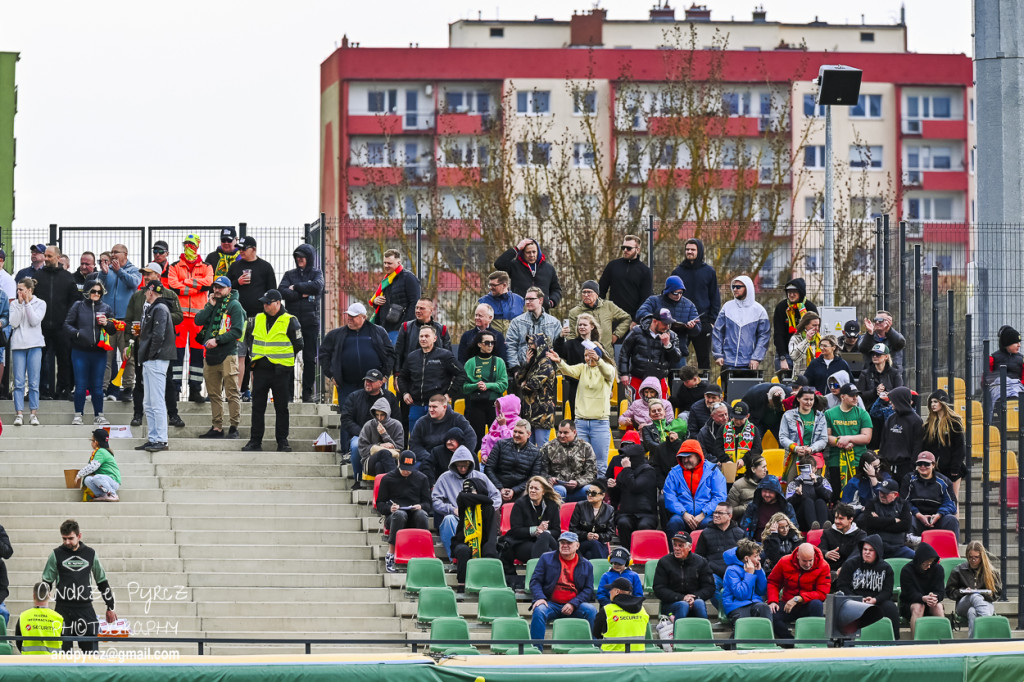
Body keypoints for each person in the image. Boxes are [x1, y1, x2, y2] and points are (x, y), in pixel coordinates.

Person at [241, 289, 303, 453]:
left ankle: (282, 441)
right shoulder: (258, 318)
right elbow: (249, 339)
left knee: (281, 407)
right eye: (263, 302)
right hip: (261, 369)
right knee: (257, 407)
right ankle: (255, 441)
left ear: (278, 303)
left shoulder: (290, 320)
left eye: (268, 303)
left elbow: (299, 344)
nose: (265, 305)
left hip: (281, 371)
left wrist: (285, 360)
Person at [42, 519, 117, 651]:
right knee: (62, 656)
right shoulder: (56, 554)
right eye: (64, 539)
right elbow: (46, 583)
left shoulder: (90, 554)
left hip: (85, 609)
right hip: (63, 609)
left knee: (91, 654)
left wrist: (110, 606)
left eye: (70, 538)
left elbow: (102, 581)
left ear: (79, 536)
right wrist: (42, 606)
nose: (67, 542)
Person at [125, 264, 184, 430]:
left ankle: (173, 414)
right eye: (144, 274)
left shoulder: (169, 294)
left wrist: (160, 315)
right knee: (140, 381)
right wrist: (128, 343)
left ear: (158, 275)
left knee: (168, 382)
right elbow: (129, 320)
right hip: (140, 345)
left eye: (149, 274)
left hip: (162, 347)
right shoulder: (137, 296)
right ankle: (138, 414)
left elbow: (179, 316)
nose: (146, 277)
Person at [549, 342, 615, 472]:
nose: (587, 358)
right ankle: (582, 490)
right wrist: (559, 362)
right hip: (581, 423)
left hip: (600, 423)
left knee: (600, 463)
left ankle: (600, 490)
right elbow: (569, 370)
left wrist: (598, 359)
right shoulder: (582, 368)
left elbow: (608, 373)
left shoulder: (608, 368)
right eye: (585, 355)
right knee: (579, 462)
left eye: (590, 354)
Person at [194, 276, 245, 439]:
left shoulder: (235, 306)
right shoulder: (212, 304)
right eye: (215, 287)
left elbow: (237, 331)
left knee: (232, 392)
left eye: (221, 288)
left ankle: (234, 427)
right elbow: (198, 320)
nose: (216, 290)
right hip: (210, 355)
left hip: (228, 353)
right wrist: (209, 306)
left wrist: (217, 340)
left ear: (229, 289)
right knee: (214, 394)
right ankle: (217, 427)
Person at [320, 302, 395, 410]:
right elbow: (323, 354)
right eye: (348, 315)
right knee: (348, 417)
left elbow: (390, 354)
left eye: (353, 316)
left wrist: (385, 375)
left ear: (364, 317)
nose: (349, 318)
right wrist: (331, 375)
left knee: (373, 417)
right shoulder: (336, 335)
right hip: (346, 385)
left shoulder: (378, 332)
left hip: (374, 385)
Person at [227, 236, 276, 399]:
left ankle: (258, 394)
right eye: (239, 248)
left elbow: (273, 293)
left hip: (259, 318)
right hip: (239, 318)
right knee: (239, 356)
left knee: (257, 357)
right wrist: (237, 282)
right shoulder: (235, 266)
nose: (240, 251)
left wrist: (270, 316)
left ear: (253, 249)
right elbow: (225, 289)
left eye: (243, 249)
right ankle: (236, 393)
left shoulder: (265, 267)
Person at [167, 234, 215, 403]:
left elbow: (208, 283)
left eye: (192, 244)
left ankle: (195, 389)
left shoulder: (207, 266)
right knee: (177, 355)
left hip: (198, 319)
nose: (189, 246)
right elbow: (174, 286)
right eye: (186, 243)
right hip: (179, 317)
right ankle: (175, 390)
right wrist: (196, 286)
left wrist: (186, 282)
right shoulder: (174, 266)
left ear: (198, 246)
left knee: (197, 355)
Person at [432, 446, 501, 562]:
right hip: (457, 516)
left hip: (478, 518)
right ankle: (454, 558)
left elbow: (496, 496)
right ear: (454, 465)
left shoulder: (481, 477)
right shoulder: (444, 478)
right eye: (459, 466)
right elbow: (435, 500)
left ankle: (480, 559)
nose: (463, 469)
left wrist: (485, 509)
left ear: (471, 464)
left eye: (465, 465)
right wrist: (451, 509)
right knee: (448, 520)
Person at [528, 531, 597, 645]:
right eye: (562, 542)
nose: (565, 545)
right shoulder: (546, 558)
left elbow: (588, 589)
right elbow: (535, 581)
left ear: (577, 545)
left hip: (575, 605)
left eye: (569, 543)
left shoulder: (586, 564)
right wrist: (540, 598)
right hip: (551, 603)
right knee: (539, 610)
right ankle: (535, 650)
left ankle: (595, 648)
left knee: (591, 611)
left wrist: (573, 604)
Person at [64, 280, 115, 426]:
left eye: (99, 292)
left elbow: (113, 329)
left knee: (98, 386)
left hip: (99, 352)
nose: (96, 294)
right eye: (93, 291)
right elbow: (67, 324)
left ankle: (99, 414)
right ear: (87, 291)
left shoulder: (106, 307)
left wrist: (107, 323)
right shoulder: (78, 306)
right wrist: (78, 334)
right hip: (80, 351)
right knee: (80, 385)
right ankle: (78, 414)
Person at [279, 243, 324, 402]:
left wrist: (296, 287)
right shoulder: (289, 274)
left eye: (302, 256)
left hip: (310, 322)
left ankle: (307, 393)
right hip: (291, 322)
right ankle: (289, 394)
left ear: (309, 258)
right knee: (289, 357)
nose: (299, 259)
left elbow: (317, 287)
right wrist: (302, 293)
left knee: (310, 358)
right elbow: (282, 291)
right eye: (297, 256)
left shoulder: (317, 273)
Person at [136, 281, 177, 452]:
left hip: (156, 359)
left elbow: (158, 335)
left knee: (156, 401)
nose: (145, 293)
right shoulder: (157, 308)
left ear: (151, 291)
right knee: (149, 401)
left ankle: (161, 439)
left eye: (146, 291)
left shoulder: (159, 309)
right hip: (152, 359)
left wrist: (151, 353)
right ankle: (154, 438)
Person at [834, 534, 901, 639]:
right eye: (865, 549)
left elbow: (887, 592)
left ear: (877, 551)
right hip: (853, 601)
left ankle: (895, 641)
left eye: (871, 550)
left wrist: (875, 600)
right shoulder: (851, 564)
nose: (867, 552)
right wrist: (856, 599)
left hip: (876, 601)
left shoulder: (886, 568)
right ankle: (847, 642)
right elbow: (842, 586)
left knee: (891, 607)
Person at [98, 243, 141, 401]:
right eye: (112, 252)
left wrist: (119, 271)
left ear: (125, 254)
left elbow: (134, 283)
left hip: (126, 321)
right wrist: (104, 274)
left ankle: (128, 388)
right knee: (105, 356)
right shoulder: (107, 269)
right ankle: (102, 388)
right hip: (109, 321)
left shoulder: (133, 270)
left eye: (116, 252)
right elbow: (99, 287)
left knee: (127, 356)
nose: (113, 254)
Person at [36, 245, 80, 401]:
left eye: (49, 256)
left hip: (62, 327)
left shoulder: (68, 277)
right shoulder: (38, 277)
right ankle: (40, 390)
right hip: (41, 327)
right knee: (39, 360)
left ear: (57, 257)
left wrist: (67, 320)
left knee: (64, 359)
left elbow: (74, 300)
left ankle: (64, 389)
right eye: (45, 256)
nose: (46, 259)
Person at [376, 451, 432, 573]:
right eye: (404, 468)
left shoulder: (422, 478)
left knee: (422, 515)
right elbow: (380, 503)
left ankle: (422, 552)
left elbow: (428, 504)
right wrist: (389, 508)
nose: (406, 471)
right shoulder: (388, 478)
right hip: (395, 516)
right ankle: (391, 553)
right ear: (398, 463)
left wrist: (421, 506)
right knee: (400, 515)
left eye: (409, 469)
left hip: (414, 514)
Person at [398, 325, 462, 428]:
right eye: (421, 336)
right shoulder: (412, 357)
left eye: (427, 336)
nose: (423, 339)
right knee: (415, 440)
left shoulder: (445, 356)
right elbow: (402, 377)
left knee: (438, 440)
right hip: (416, 406)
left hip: (438, 406)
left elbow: (461, 374)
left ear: (435, 338)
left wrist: (449, 394)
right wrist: (405, 393)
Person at [449, 468, 501, 593]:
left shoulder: (488, 509)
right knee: (463, 550)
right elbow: (462, 497)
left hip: (484, 541)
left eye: (471, 490)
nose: (467, 493)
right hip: (463, 541)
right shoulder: (464, 505)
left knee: (489, 551)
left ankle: (486, 585)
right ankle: (461, 585)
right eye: (465, 490)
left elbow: (491, 535)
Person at [670, 238, 720, 369]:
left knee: (704, 361)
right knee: (676, 357)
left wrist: (712, 320)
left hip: (702, 323)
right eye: (687, 249)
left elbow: (715, 296)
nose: (689, 252)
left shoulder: (709, 272)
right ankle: (675, 387)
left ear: (700, 251)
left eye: (692, 249)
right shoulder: (677, 273)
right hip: (680, 324)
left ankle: (704, 388)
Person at [663, 439, 728, 535]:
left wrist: (703, 514)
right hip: (682, 515)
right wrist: (684, 513)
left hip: (706, 515)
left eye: (689, 457)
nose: (685, 460)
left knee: (708, 524)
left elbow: (719, 496)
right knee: (674, 523)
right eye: (682, 457)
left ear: (698, 456)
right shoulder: (674, 473)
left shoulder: (713, 471)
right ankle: (674, 550)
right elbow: (669, 497)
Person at [501, 476, 561, 579]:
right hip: (523, 543)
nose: (532, 491)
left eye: (536, 488)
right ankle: (541, 579)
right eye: (530, 488)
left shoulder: (552, 505)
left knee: (545, 537)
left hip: (546, 542)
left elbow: (556, 531)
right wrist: (536, 530)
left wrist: (544, 532)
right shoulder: (520, 504)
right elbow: (515, 530)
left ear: (543, 491)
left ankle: (535, 578)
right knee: (548, 551)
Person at [766, 543, 830, 639]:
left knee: (817, 604)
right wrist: (773, 601)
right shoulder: (784, 561)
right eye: (804, 561)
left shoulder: (823, 566)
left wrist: (799, 598)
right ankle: (789, 642)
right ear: (798, 556)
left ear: (814, 556)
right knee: (771, 613)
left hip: (808, 604)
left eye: (810, 560)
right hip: (787, 603)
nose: (808, 564)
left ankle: (812, 641)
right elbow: (773, 582)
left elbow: (822, 593)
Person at [618, 309, 683, 398]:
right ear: (655, 321)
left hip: (660, 378)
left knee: (660, 409)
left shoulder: (672, 336)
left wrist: (668, 345)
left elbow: (677, 358)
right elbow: (624, 353)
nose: (667, 327)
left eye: (669, 324)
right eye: (665, 324)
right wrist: (624, 373)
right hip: (638, 377)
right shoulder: (637, 331)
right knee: (637, 408)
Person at [824, 382, 873, 498]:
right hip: (836, 460)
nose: (855, 398)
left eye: (857, 395)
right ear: (842, 397)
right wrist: (840, 442)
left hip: (858, 460)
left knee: (859, 495)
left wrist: (848, 438)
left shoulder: (863, 414)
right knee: (837, 494)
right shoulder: (829, 414)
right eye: (852, 395)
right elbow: (826, 437)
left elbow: (867, 437)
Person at [653, 531, 715, 621]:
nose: (676, 548)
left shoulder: (701, 562)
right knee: (683, 605)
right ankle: (679, 633)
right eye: (675, 545)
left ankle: (703, 633)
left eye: (680, 545)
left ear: (689, 547)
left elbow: (709, 587)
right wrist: (681, 598)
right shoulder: (664, 562)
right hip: (671, 604)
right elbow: (659, 588)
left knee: (699, 603)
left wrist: (694, 597)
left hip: (695, 602)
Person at [462, 329, 508, 448]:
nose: (490, 345)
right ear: (479, 344)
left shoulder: (499, 362)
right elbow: (464, 387)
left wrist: (487, 385)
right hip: (476, 405)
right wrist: (476, 385)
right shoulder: (471, 363)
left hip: (494, 404)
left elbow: (503, 385)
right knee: (477, 439)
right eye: (487, 343)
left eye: (492, 342)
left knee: (496, 439)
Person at [712, 275, 770, 371]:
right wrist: (718, 354)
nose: (735, 289)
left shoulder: (759, 310)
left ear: (748, 288)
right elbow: (717, 332)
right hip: (727, 361)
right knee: (727, 386)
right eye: (733, 287)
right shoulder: (727, 307)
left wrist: (756, 358)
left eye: (738, 287)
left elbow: (764, 337)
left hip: (749, 363)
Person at [607, 440, 658, 549]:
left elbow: (634, 487)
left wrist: (627, 469)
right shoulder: (624, 472)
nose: (624, 460)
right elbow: (616, 496)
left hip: (646, 514)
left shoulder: (649, 471)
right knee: (623, 522)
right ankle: (627, 553)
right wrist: (612, 487)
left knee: (643, 525)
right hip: (626, 513)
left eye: (627, 457)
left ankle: (642, 552)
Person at [946, 541, 1002, 638]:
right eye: (970, 557)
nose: (973, 560)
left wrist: (986, 594)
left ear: (982, 557)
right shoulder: (958, 570)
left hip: (986, 602)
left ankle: (973, 642)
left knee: (972, 612)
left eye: (976, 557)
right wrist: (962, 591)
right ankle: (988, 624)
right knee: (974, 595)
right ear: (967, 556)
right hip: (963, 604)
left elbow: (997, 593)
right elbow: (949, 592)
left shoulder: (990, 571)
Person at [10, 277, 45, 426]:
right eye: (17, 289)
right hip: (18, 345)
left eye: (21, 290)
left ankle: (33, 413)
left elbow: (34, 321)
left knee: (34, 381)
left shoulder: (40, 303)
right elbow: (14, 323)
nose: (18, 292)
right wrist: (19, 304)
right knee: (18, 382)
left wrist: (27, 303)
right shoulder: (14, 304)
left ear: (29, 290)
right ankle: (19, 413)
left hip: (35, 345)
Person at [901, 451, 960, 540]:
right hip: (916, 517)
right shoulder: (909, 479)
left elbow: (951, 503)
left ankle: (952, 552)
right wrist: (918, 515)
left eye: (926, 464)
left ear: (933, 465)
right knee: (907, 519)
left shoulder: (944, 481)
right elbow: (904, 501)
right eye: (920, 463)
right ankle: (910, 552)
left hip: (938, 518)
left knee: (952, 520)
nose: (923, 466)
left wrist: (938, 515)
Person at [408, 395, 476, 470]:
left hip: (453, 459)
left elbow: (471, 437)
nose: (431, 409)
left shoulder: (457, 419)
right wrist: (430, 458)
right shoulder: (421, 422)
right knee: (414, 469)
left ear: (444, 407)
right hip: (429, 459)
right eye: (430, 406)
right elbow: (414, 444)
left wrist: (460, 455)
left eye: (434, 407)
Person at [505, 286, 561, 376]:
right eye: (526, 299)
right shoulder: (516, 322)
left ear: (540, 300)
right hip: (523, 371)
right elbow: (510, 346)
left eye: (531, 299)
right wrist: (515, 369)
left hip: (547, 373)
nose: (527, 302)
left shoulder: (554, 323)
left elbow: (559, 349)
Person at [486, 419, 545, 502]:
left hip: (520, 491)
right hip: (497, 487)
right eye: (515, 431)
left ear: (528, 434)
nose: (516, 435)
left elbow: (533, 478)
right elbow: (489, 468)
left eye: (520, 432)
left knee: (530, 493)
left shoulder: (536, 453)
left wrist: (515, 490)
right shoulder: (501, 444)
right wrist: (500, 488)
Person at [494, 238, 562, 311]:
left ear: (538, 252)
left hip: (542, 312)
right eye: (528, 252)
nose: (532, 255)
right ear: (523, 253)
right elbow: (499, 264)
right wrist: (517, 248)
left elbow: (556, 289)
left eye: (534, 252)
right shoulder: (515, 266)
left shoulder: (549, 268)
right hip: (520, 311)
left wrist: (551, 302)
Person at [369, 248, 421, 343]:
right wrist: (376, 302)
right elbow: (384, 302)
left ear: (398, 262)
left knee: (394, 356)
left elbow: (415, 303)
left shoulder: (408, 278)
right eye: (385, 263)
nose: (386, 266)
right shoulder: (387, 280)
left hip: (398, 329)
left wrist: (404, 326)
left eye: (389, 263)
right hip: (383, 328)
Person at [922, 389, 966, 499]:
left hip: (952, 469)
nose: (933, 404)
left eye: (936, 401)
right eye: (931, 402)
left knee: (952, 498)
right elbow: (926, 447)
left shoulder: (954, 422)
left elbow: (959, 447)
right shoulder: (930, 424)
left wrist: (955, 468)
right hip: (936, 469)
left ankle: (954, 517)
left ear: (943, 403)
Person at [566, 281, 631, 354]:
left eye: (589, 292)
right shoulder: (574, 312)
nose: (586, 295)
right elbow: (572, 335)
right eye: (584, 292)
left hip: (607, 355)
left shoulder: (608, 306)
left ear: (597, 294)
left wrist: (616, 334)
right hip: (585, 356)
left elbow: (627, 318)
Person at [540, 420, 597, 503]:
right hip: (557, 487)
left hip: (578, 488)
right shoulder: (548, 447)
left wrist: (578, 483)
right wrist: (549, 479)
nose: (562, 435)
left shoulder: (585, 447)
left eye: (565, 433)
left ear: (574, 432)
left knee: (590, 490)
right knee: (560, 490)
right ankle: (558, 515)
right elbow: (541, 471)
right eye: (560, 432)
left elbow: (592, 473)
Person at [598, 234, 653, 322]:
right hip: (613, 317)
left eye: (629, 248)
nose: (625, 250)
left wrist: (636, 320)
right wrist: (601, 312)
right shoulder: (613, 266)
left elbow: (645, 298)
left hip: (633, 319)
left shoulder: (645, 271)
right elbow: (601, 289)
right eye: (623, 247)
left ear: (637, 250)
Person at [856, 479, 915, 560]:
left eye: (886, 493)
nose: (882, 495)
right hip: (876, 548)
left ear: (895, 494)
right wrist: (893, 520)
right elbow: (869, 522)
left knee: (917, 558)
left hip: (898, 547)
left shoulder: (903, 504)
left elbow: (906, 525)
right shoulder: (872, 503)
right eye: (880, 492)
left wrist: (879, 522)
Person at [516, 334, 558, 445]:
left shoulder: (546, 365)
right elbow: (518, 380)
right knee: (528, 448)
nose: (529, 347)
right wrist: (527, 364)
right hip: (529, 413)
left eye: (532, 343)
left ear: (540, 345)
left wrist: (524, 385)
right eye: (528, 343)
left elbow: (530, 387)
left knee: (541, 448)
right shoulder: (534, 364)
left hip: (542, 413)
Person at [393, 299, 452, 378]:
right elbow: (398, 353)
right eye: (416, 308)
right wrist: (397, 375)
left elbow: (448, 356)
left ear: (431, 310)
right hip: (410, 376)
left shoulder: (442, 329)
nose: (417, 310)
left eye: (421, 308)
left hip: (435, 377)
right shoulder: (406, 327)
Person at [772, 278, 818, 373]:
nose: (791, 294)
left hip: (806, 353)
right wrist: (782, 358)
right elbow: (778, 334)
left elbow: (815, 332)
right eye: (789, 292)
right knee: (785, 385)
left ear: (801, 292)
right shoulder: (781, 308)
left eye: (794, 292)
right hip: (786, 353)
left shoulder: (810, 308)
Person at [899, 542, 945, 638]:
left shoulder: (938, 569)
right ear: (919, 561)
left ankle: (943, 640)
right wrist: (923, 598)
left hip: (930, 603)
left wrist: (935, 597)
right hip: (910, 604)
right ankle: (916, 642)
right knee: (919, 607)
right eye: (926, 564)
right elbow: (908, 594)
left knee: (938, 607)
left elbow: (940, 591)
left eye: (930, 563)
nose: (929, 566)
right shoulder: (907, 570)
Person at [878, 386, 924, 483]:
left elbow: (917, 446)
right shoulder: (891, 418)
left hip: (906, 468)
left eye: (892, 400)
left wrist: (913, 466)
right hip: (888, 467)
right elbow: (883, 442)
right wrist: (881, 462)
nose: (890, 402)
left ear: (900, 401)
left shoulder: (916, 421)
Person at [779, 385, 827, 475]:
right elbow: (783, 437)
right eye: (806, 399)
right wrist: (796, 448)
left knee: (813, 486)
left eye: (811, 399)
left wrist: (811, 449)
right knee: (792, 486)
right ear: (798, 399)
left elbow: (823, 439)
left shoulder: (820, 416)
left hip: (813, 457)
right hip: (793, 456)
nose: (809, 402)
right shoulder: (788, 415)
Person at [721, 539, 773, 622]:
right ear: (746, 558)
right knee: (745, 622)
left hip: (754, 603)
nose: (759, 558)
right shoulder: (731, 570)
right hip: (736, 605)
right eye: (756, 556)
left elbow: (762, 591)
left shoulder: (756, 568)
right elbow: (741, 595)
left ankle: (767, 633)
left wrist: (759, 573)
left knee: (764, 608)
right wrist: (749, 574)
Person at [594, 576, 649, 652]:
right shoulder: (642, 610)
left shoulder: (607, 610)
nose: (609, 592)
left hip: (611, 658)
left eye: (611, 590)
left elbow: (596, 633)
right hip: (638, 657)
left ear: (617, 591)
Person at [740, 475, 798, 542]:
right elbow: (745, 527)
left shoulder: (786, 507)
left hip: (780, 545)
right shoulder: (753, 506)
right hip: (756, 546)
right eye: (764, 491)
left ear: (777, 492)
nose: (767, 494)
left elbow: (794, 528)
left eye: (770, 492)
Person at [694, 502, 745, 577]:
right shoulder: (705, 533)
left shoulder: (740, 533)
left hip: (734, 574)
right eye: (715, 512)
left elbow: (744, 557)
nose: (716, 515)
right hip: (713, 574)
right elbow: (699, 557)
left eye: (720, 513)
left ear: (729, 516)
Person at [359, 398, 404, 479]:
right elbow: (362, 450)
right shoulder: (368, 425)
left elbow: (399, 449)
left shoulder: (396, 425)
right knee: (384, 453)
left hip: (392, 461)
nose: (379, 418)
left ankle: (382, 490)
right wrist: (380, 446)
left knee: (379, 466)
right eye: (377, 414)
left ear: (388, 413)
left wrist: (385, 435)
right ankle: (396, 482)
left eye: (382, 415)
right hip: (369, 462)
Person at [568, 480, 614, 560]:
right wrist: (586, 535)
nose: (589, 495)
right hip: (581, 543)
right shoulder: (580, 506)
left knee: (590, 554)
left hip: (599, 544)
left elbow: (610, 534)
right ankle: (603, 568)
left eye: (593, 493)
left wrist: (599, 536)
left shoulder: (609, 510)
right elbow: (572, 529)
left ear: (602, 495)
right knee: (594, 544)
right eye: (588, 492)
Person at [14, 583, 64, 654]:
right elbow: (65, 642)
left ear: (34, 596)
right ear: (49, 596)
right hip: (53, 662)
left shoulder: (23, 616)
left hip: (29, 661)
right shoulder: (58, 618)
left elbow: (18, 641)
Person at [818, 503, 866, 574]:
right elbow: (819, 549)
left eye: (841, 518)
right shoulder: (827, 532)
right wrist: (826, 553)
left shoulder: (860, 535)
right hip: (829, 570)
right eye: (836, 518)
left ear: (850, 519)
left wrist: (845, 567)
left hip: (851, 570)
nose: (837, 521)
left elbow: (857, 554)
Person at [76, 429, 121, 502]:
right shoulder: (101, 451)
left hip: (112, 482)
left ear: (96, 442)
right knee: (88, 480)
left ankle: (113, 494)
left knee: (97, 477)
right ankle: (102, 495)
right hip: (104, 481)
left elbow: (92, 467)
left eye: (92, 440)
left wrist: (79, 475)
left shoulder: (101, 451)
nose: (91, 443)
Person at [857, 342, 903, 413]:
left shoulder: (894, 373)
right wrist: (875, 391)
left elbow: (900, 392)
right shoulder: (865, 373)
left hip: (890, 410)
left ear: (886, 357)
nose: (875, 356)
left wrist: (887, 393)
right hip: (869, 410)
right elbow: (859, 395)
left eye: (878, 354)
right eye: (873, 354)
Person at [719, 401, 762, 473]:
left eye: (741, 419)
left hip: (747, 471)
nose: (738, 422)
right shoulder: (724, 428)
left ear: (747, 416)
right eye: (735, 418)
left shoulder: (753, 429)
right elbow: (718, 448)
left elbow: (758, 449)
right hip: (728, 470)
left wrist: (744, 459)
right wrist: (726, 460)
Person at [478, 270, 523, 335]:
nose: (490, 288)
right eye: (490, 285)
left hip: (515, 343)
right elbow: (473, 325)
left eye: (493, 285)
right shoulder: (482, 302)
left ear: (504, 285)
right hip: (491, 343)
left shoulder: (520, 301)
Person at [481, 394, 521, 464]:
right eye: (498, 408)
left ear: (509, 408)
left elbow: (509, 442)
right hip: (489, 461)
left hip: (505, 464)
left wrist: (503, 426)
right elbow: (486, 438)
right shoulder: (497, 420)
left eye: (501, 408)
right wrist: (484, 455)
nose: (499, 411)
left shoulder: (519, 423)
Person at [727, 454, 767, 521]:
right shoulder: (738, 485)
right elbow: (731, 509)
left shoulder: (768, 483)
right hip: (745, 520)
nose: (766, 470)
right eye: (763, 467)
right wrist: (749, 506)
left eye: (766, 466)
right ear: (753, 469)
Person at [787, 312, 821, 378]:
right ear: (805, 325)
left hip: (817, 377)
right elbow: (794, 357)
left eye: (818, 325)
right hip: (801, 378)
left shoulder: (820, 339)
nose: (817, 328)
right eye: (814, 325)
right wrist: (806, 340)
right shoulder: (795, 338)